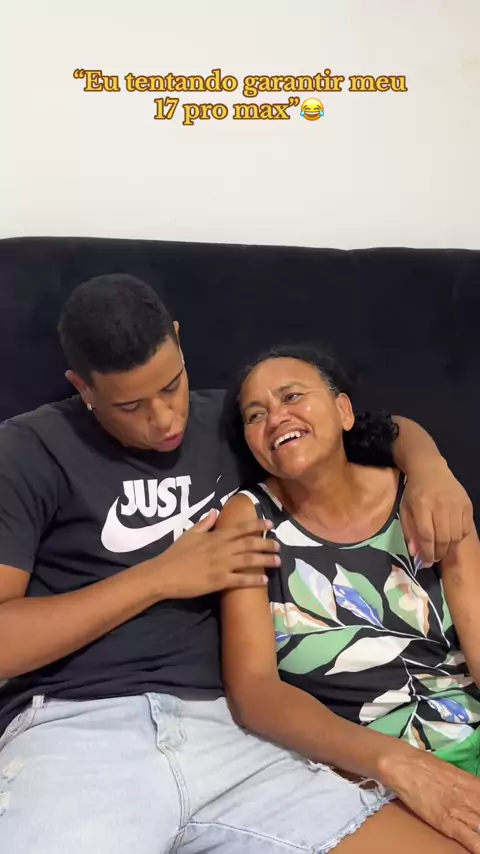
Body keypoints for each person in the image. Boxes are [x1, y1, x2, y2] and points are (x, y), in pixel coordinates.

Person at [0, 275, 472, 854]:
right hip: (77, 733)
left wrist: (430, 468)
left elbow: (367, 428)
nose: (164, 419)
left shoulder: (236, 423)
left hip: (235, 734)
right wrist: (158, 578)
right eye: (131, 406)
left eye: (172, 385)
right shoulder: (28, 450)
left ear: (179, 341)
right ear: (83, 387)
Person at [218, 342, 480, 854]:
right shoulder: (250, 519)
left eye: (292, 396)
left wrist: (429, 467)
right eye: (255, 414)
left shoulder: (423, 496)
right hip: (366, 776)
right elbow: (254, 691)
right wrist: (402, 766)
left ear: (343, 411)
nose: (276, 417)